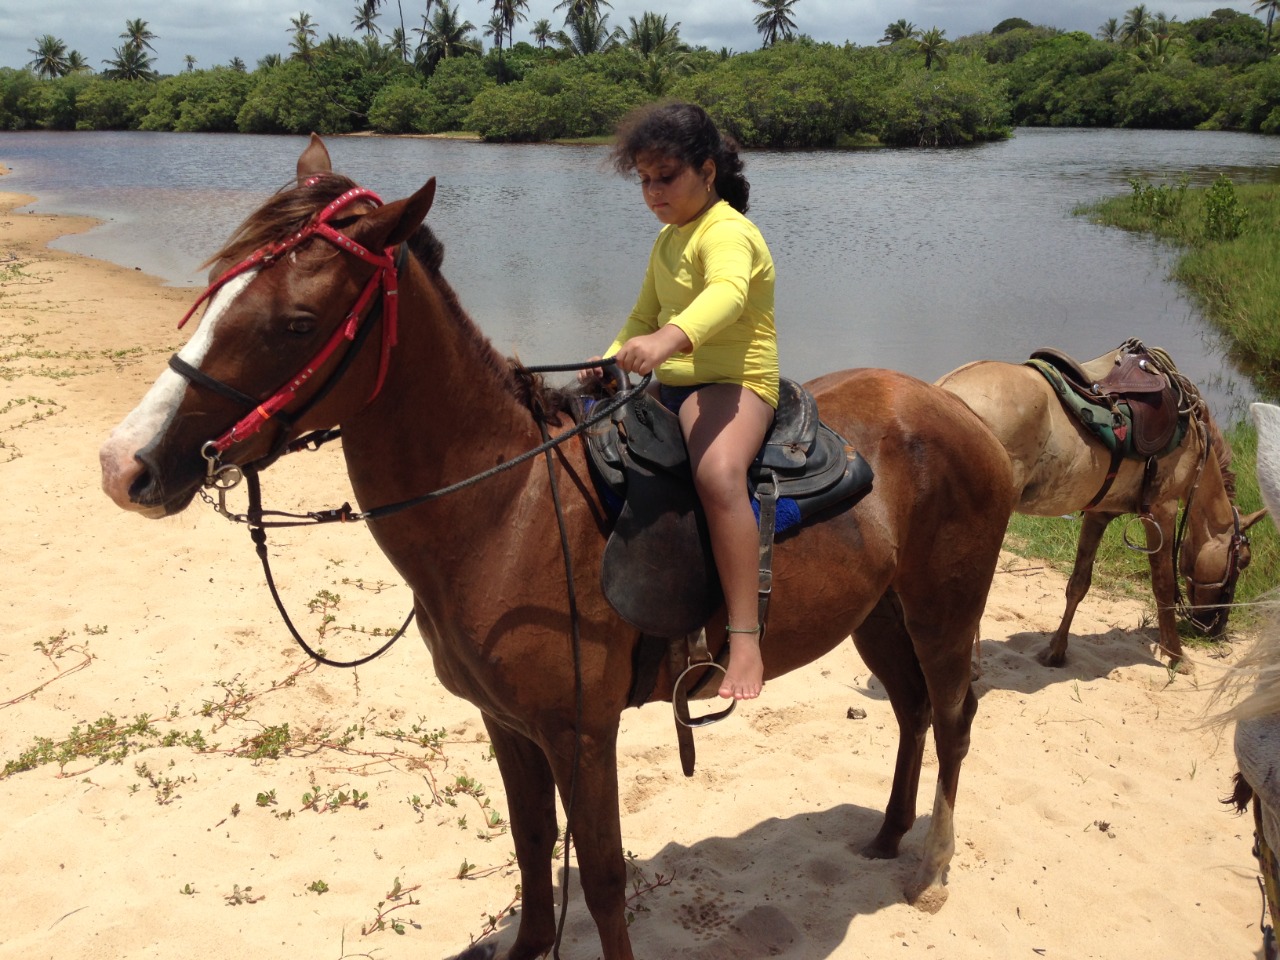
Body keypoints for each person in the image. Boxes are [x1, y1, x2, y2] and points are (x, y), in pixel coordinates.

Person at [581, 101, 779, 701]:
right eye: (643, 179)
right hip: (674, 378)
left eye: (665, 176)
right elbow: (644, 312)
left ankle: (744, 638)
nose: (653, 191)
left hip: (734, 380)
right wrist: (612, 352)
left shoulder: (728, 232)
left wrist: (667, 341)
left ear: (708, 170)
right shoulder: (669, 239)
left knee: (719, 475)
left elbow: (726, 295)